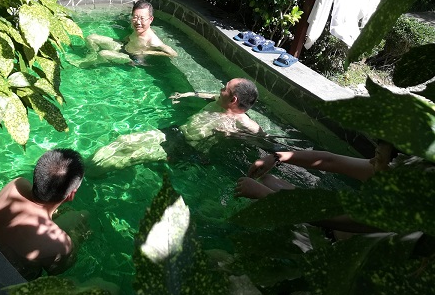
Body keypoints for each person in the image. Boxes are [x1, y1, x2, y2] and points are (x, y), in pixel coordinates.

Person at [88, 78, 262, 175]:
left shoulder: (243, 122)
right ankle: (83, 166)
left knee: (131, 156)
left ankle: (86, 177)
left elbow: (264, 139)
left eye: (224, 88)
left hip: (184, 150)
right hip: (174, 132)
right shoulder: (219, 101)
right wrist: (188, 94)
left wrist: (275, 153)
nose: (220, 90)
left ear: (233, 100)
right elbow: (208, 95)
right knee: (124, 140)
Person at [235, 142, 396, 235]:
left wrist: (263, 194)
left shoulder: (395, 209)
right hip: (325, 225)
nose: (371, 161)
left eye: (379, 158)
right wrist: (276, 157)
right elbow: (328, 160)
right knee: (268, 179)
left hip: (328, 242)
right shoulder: (383, 173)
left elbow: (318, 217)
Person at [0, 149, 89, 280]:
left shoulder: (15, 185)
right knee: (84, 216)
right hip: (5, 280)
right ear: (71, 195)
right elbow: (59, 271)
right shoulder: (59, 243)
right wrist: (76, 237)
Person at [80, 0, 177, 66]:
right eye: (135, 17)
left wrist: (146, 52)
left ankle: (91, 63)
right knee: (91, 37)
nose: (138, 22)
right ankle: (91, 55)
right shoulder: (137, 28)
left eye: (142, 19)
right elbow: (132, 37)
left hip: (132, 58)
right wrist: (124, 40)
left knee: (103, 53)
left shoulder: (153, 40)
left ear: (150, 19)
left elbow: (173, 53)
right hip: (124, 46)